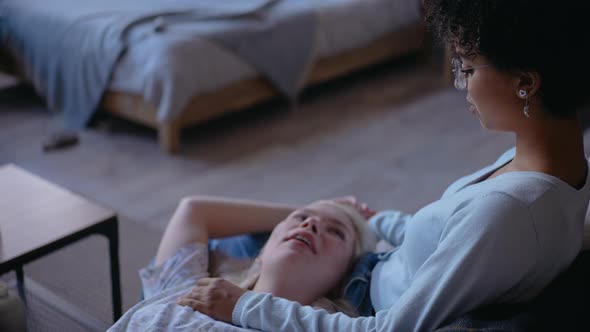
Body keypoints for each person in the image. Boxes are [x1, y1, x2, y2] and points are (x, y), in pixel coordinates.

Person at [176, 0, 590, 330]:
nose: (458, 83)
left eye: (465, 66)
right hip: (379, 262)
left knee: (227, 250)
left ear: (526, 83)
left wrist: (246, 306)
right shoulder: (556, 164)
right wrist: (375, 219)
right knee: (254, 236)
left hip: (361, 301)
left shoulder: (510, 211)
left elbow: (388, 327)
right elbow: (452, 237)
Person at [107, 197, 378, 331]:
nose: (311, 223)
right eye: (302, 218)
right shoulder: (190, 288)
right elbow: (193, 209)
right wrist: (318, 206)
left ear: (342, 279)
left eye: (336, 232)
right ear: (262, 251)